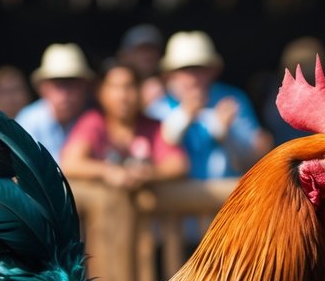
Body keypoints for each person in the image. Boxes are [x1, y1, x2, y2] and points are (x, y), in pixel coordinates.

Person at [147, 30, 270, 179]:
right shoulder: (157, 106)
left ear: (213, 70)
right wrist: (184, 115)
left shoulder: (233, 99)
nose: (192, 77)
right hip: (173, 197)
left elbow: (253, 159)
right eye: (184, 69)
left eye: (199, 69)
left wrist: (227, 134)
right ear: (170, 74)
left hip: (225, 195)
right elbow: (153, 156)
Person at [60, 63, 188, 189]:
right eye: (115, 88)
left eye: (129, 87)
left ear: (140, 91)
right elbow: (69, 163)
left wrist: (149, 173)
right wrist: (107, 171)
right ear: (100, 93)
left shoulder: (153, 126)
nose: (123, 96)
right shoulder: (93, 122)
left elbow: (179, 164)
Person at [15, 43, 95, 164]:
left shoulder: (96, 117)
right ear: (43, 88)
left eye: (72, 84)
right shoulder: (28, 121)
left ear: (85, 87)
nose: (65, 94)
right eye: (57, 85)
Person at [116, 23, 166, 110]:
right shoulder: (113, 81)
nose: (147, 55)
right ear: (124, 55)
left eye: (151, 49)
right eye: (140, 50)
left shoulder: (170, 84)